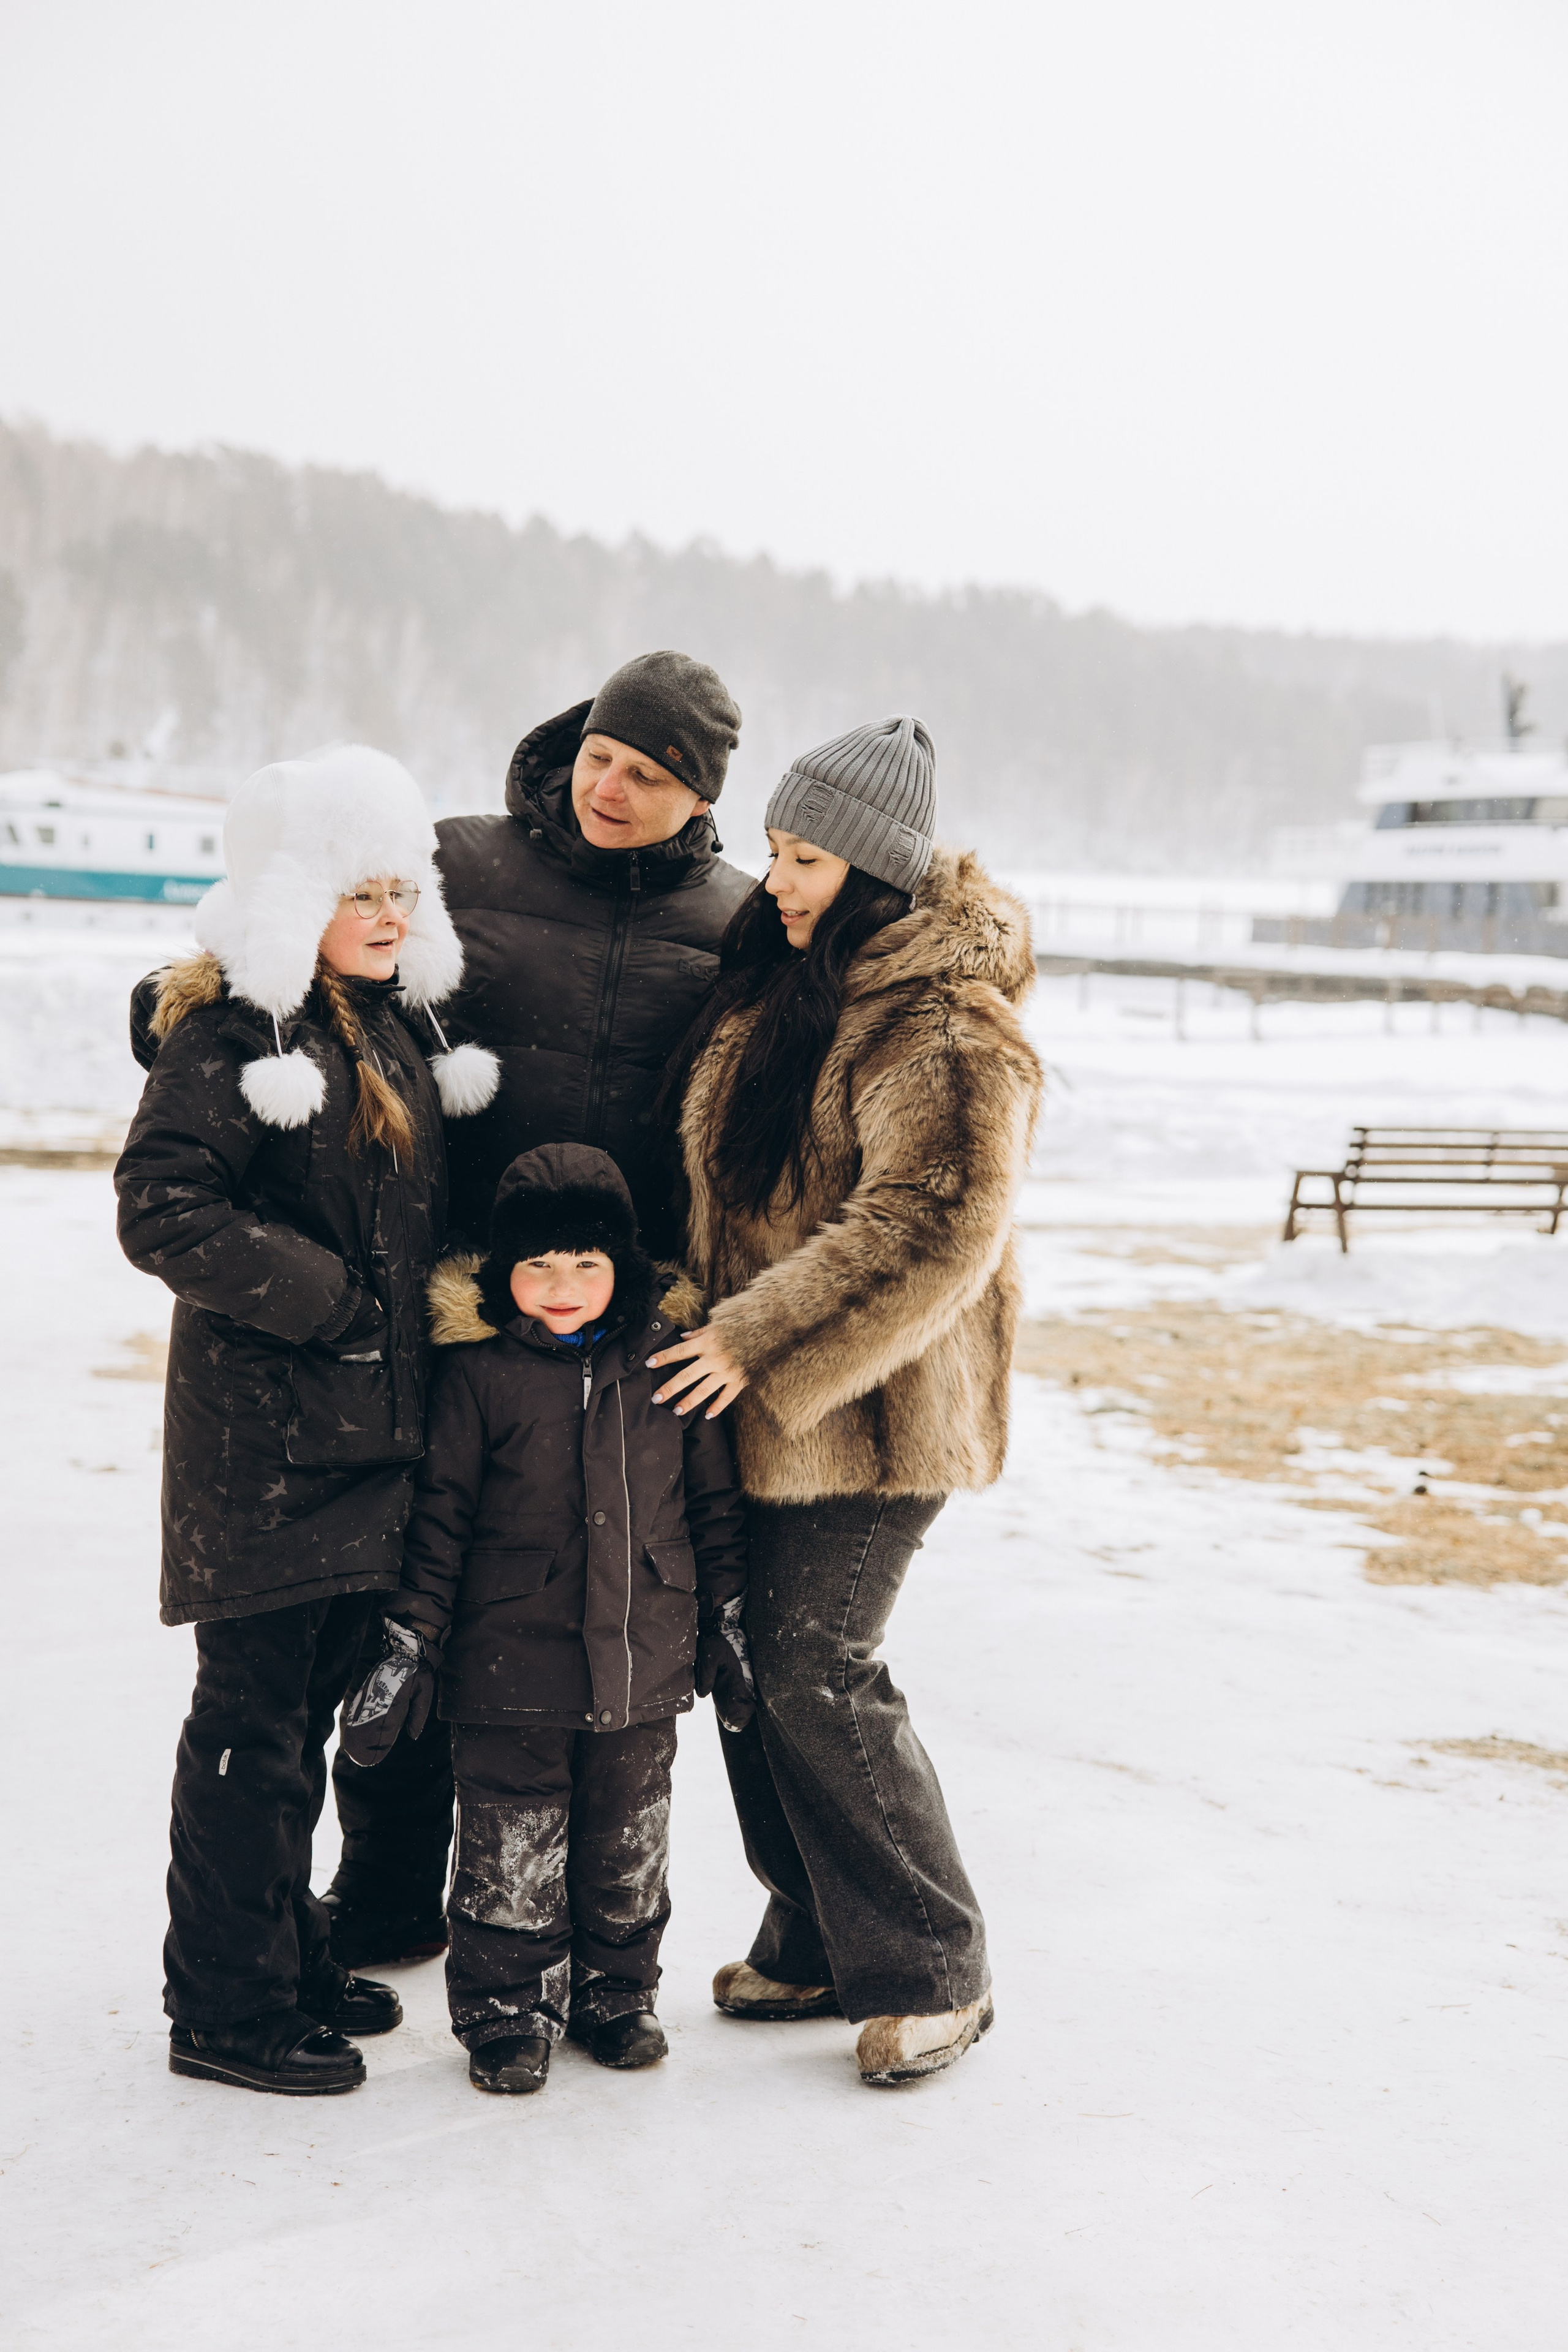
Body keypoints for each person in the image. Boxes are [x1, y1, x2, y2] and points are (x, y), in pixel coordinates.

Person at [325, 648, 754, 1969]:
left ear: (700, 799)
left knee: (580, 1612)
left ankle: (584, 1923)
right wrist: (197, 1006)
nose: (611, 788)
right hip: (452, 1299)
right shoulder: (456, 857)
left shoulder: (736, 918)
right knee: (421, 1597)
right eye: (604, 756)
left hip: (620, 1320)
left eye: (651, 776)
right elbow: (325, 943)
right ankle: (388, 1891)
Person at [649, 715, 1044, 2088]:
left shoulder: (940, 1022)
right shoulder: (795, 985)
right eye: (771, 850)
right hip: (761, 1398)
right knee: (749, 1663)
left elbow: (932, 1223)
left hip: (878, 1412)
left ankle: (933, 1966)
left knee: (815, 1661)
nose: (777, 880)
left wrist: (755, 1338)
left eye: (807, 855)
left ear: (876, 870)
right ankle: (817, 1930)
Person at [116, 744, 498, 2097]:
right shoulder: (237, 1040)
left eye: (404, 889)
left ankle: (280, 1956)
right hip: (264, 1449)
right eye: (358, 891)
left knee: (313, 1712)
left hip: (365, 1443)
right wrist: (330, 1298)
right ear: (291, 902)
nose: (390, 915)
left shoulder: (389, 1028)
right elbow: (162, 1207)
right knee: (254, 1727)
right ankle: (224, 2006)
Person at [337, 1144, 751, 2095]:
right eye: (538, 1266)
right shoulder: (479, 1375)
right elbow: (439, 1519)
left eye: (587, 1266)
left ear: (624, 1270)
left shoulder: (669, 1364)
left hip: (644, 1655)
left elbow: (714, 1506)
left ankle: (617, 1994)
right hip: (506, 1661)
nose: (562, 1287)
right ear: (503, 1272)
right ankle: (505, 2009)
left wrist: (726, 1617)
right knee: (507, 1845)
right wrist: (411, 1639)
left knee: (626, 1837)